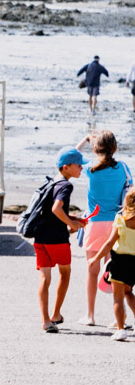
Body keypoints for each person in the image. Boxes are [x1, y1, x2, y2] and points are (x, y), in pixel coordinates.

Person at [74, 130, 130, 326]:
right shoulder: (123, 168)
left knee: (92, 270)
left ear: (96, 149)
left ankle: (90, 315)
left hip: (95, 223)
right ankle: (119, 318)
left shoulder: (90, 168)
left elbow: (73, 155)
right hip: (116, 224)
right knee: (116, 273)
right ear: (114, 148)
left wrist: (86, 139)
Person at [35, 147, 87, 333]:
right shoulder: (66, 185)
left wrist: (74, 219)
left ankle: (45, 320)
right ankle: (56, 314)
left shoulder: (51, 183)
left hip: (40, 237)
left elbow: (53, 213)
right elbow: (56, 209)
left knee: (44, 278)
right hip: (57, 239)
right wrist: (72, 225)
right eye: (78, 165)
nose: (81, 168)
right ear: (66, 167)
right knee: (65, 273)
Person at [87, 188, 135, 340]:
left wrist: (95, 259)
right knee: (128, 292)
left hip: (119, 261)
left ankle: (121, 329)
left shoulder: (121, 219)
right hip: (134, 262)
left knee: (118, 297)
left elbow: (109, 243)